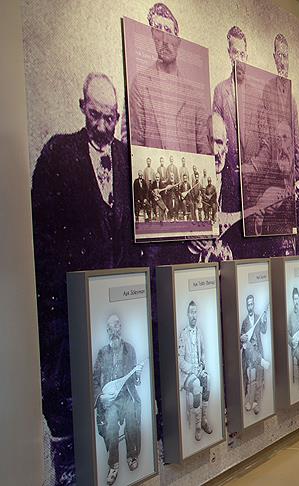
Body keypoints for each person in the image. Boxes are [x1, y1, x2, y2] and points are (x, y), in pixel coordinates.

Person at [31, 73, 138, 482]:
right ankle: (69, 467)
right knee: (68, 391)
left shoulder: (127, 157)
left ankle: (114, 460)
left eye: (111, 118)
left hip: (115, 302)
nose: (103, 127)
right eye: (95, 115)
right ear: (82, 108)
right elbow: (40, 234)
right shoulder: (58, 154)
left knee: (113, 388)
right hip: (69, 302)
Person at [128, 3, 210, 153]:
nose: (164, 40)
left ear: (177, 41)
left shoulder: (193, 96)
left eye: (168, 30)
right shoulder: (140, 85)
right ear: (152, 37)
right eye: (158, 30)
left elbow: (204, 150)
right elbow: (134, 143)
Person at [92, 315, 142, 485]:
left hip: (127, 395)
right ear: (107, 332)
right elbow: (94, 380)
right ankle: (113, 464)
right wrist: (101, 397)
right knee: (111, 425)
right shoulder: (102, 353)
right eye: (110, 328)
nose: (113, 331)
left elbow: (135, 381)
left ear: (121, 328)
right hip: (111, 401)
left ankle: (131, 455)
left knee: (132, 419)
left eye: (116, 326)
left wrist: (137, 375)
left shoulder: (130, 350)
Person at [212, 26, 246, 213]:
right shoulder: (220, 90)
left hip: (252, 178)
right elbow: (216, 130)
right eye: (235, 53)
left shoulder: (256, 93)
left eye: (242, 54)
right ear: (229, 53)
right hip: (229, 176)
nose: (239, 58)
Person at [259, 34, 299, 179]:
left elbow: (296, 139)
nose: (283, 62)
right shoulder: (267, 90)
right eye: (279, 56)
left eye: (286, 56)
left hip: (290, 168)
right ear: (274, 58)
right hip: (274, 166)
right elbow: (264, 136)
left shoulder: (292, 98)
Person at [178, 301, 213, 441]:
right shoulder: (183, 334)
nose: (194, 315)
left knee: (208, 380)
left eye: (195, 312)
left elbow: (203, 353)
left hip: (198, 370)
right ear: (187, 314)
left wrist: (202, 365)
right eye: (191, 312)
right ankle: (198, 426)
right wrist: (192, 369)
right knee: (197, 384)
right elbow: (180, 360)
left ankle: (204, 419)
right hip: (187, 375)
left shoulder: (199, 333)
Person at [240, 294, 268, 414]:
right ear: (247, 306)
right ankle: (248, 399)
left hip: (258, 350)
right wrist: (241, 339)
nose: (250, 307)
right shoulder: (244, 322)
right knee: (249, 348)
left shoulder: (258, 318)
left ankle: (256, 402)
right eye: (248, 305)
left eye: (252, 304)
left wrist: (264, 319)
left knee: (259, 374)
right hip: (248, 355)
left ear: (254, 304)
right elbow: (241, 341)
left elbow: (264, 330)